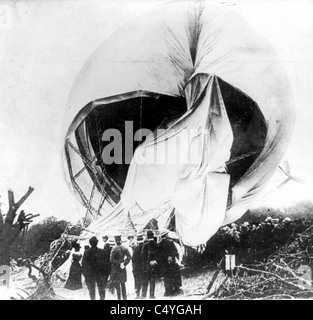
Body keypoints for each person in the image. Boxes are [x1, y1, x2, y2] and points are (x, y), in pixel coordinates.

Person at [158, 230, 182, 296]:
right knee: (173, 274)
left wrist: (165, 258)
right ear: (166, 235)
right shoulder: (171, 242)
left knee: (166, 277)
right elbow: (175, 251)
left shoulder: (159, 244)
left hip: (164, 263)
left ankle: (168, 291)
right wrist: (171, 257)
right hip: (172, 262)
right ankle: (176, 289)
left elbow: (159, 255)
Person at [110, 234, 132, 300]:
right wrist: (124, 263)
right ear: (120, 240)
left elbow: (111, 259)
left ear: (115, 240)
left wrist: (118, 263)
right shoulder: (124, 248)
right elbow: (129, 257)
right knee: (123, 283)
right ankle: (125, 298)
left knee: (117, 284)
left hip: (116, 268)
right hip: (122, 268)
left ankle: (119, 298)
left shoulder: (114, 248)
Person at [141, 230, 159, 299]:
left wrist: (147, 262)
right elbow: (159, 254)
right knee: (152, 280)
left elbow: (142, 255)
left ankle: (143, 295)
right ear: (153, 236)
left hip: (146, 265)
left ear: (147, 236)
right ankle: (151, 295)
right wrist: (155, 260)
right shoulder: (156, 244)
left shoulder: (145, 245)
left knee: (145, 280)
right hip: (153, 265)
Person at [132, 233, 144, 298]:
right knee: (144, 280)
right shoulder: (145, 246)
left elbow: (134, 259)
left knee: (137, 281)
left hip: (137, 267)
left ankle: (138, 294)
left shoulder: (136, 247)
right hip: (144, 266)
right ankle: (143, 294)